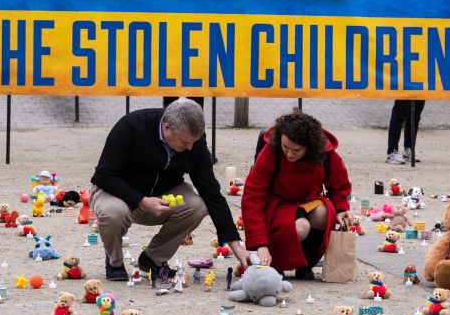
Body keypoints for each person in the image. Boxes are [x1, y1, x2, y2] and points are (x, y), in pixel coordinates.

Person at [90, 98, 248, 281]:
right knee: (113, 213)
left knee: (197, 206)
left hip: (161, 195)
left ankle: (153, 259)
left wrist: (236, 246)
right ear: (166, 128)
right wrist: (141, 200)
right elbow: (103, 175)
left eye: (193, 143)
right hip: (117, 192)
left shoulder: (193, 142)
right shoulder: (132, 125)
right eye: (184, 142)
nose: (190, 148)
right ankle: (114, 261)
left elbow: (211, 191)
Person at [241, 109, 352, 279]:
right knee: (300, 228)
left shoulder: (326, 155)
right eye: (285, 147)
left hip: (308, 202)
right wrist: (260, 243)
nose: (289, 154)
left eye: (297, 150)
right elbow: (252, 194)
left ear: (310, 147)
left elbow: (339, 185)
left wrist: (341, 208)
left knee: (325, 213)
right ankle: (275, 262)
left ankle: (306, 264)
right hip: (277, 205)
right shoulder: (271, 151)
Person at [386, 100, 424, 164]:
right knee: (399, 111)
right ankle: (392, 152)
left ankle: (408, 151)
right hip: (402, 90)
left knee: (415, 114)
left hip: (421, 90)